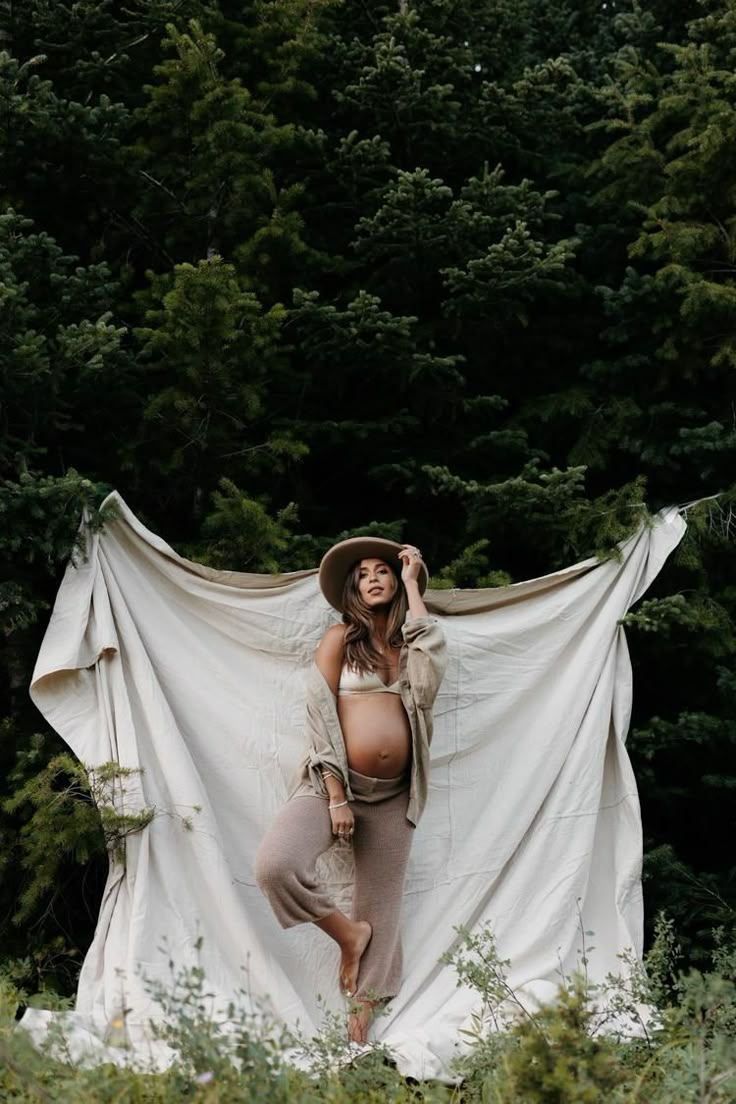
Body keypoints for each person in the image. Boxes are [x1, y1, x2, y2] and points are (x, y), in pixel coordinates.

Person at [254, 537, 447, 1042]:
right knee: (276, 864)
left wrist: (413, 584)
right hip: (332, 783)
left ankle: (355, 1041)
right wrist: (337, 795)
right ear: (353, 588)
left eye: (383, 571)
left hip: (395, 795)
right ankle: (348, 935)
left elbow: (426, 691)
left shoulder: (410, 647)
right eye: (363, 574)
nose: (374, 578)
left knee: (380, 910)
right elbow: (319, 717)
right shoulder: (340, 638)